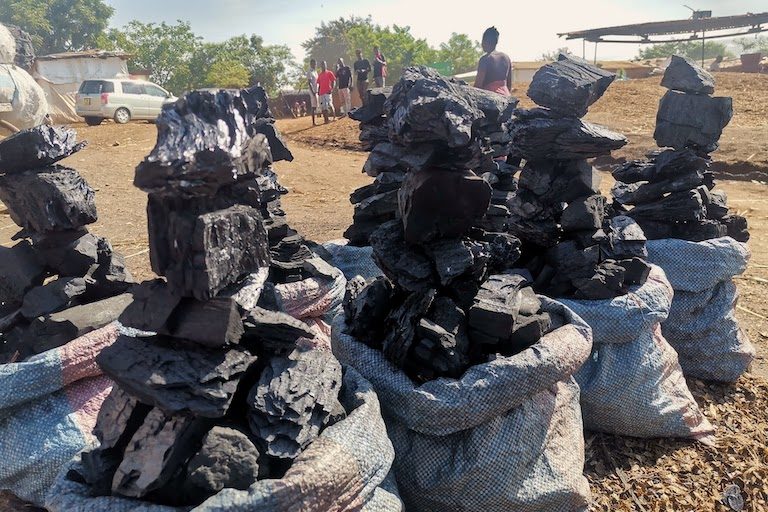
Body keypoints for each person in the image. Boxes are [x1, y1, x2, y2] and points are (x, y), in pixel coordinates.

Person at [474, 26, 512, 96]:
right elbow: (509, 85)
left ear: (485, 41)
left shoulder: (485, 59)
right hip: (506, 96)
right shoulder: (506, 58)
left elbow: (477, 86)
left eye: (482, 41)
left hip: (490, 98)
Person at [306, 59, 319, 125]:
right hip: (313, 91)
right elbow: (309, 83)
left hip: (316, 90)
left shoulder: (315, 72)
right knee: (313, 106)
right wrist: (313, 91)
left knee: (317, 105)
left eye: (315, 64)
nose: (315, 65)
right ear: (311, 64)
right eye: (314, 64)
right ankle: (313, 122)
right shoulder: (309, 72)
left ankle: (317, 119)